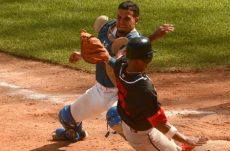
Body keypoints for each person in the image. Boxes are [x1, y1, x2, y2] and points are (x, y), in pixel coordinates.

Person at [53, 0, 175, 142]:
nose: (121, 22)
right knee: (65, 117)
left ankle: (154, 143)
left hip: (121, 93)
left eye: (127, 18)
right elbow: (98, 49)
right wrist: (82, 54)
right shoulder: (108, 28)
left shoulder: (134, 41)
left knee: (115, 117)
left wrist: (152, 37)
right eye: (119, 17)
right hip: (99, 90)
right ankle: (76, 133)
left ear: (136, 20)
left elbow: (122, 59)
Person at [103, 37, 208, 151]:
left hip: (126, 121)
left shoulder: (121, 65)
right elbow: (159, 123)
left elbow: (117, 58)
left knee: (171, 146)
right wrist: (186, 139)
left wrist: (106, 56)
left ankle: (173, 146)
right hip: (142, 135)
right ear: (148, 58)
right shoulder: (144, 89)